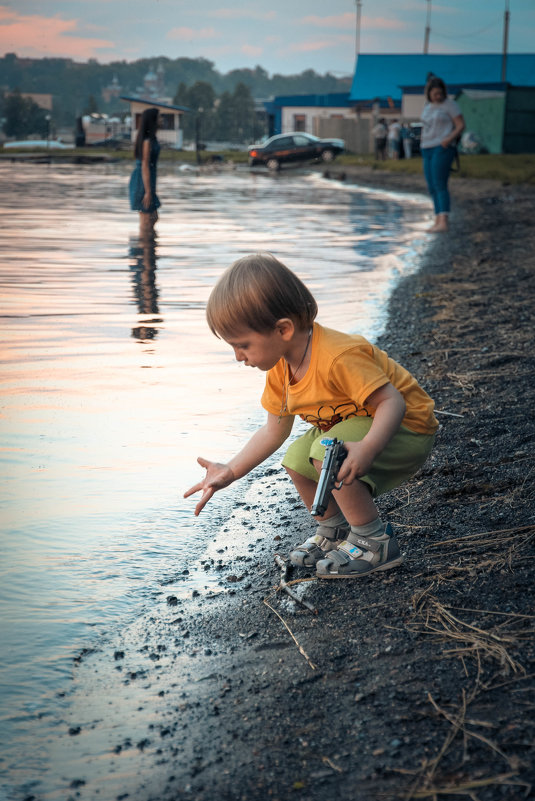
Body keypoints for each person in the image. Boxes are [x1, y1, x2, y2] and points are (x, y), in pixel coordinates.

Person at [184, 254, 438, 579]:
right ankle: (334, 532)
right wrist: (231, 470)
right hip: (364, 428)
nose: (237, 357)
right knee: (296, 457)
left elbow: (393, 403)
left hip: (405, 429)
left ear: (283, 329)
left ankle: (374, 541)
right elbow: (272, 432)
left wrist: (369, 447)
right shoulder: (280, 367)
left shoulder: (337, 356)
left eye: (243, 345)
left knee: (326, 451)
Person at [420, 76, 465, 233]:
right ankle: (437, 219)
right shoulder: (427, 106)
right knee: (431, 186)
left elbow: (460, 125)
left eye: (440, 93)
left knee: (440, 183)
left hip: (442, 147)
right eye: (435, 93)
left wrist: (448, 139)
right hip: (426, 147)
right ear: (429, 93)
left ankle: (444, 221)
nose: (438, 96)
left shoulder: (450, 105)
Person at [129, 107, 161, 239]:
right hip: (143, 181)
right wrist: (148, 191)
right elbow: (145, 166)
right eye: (159, 117)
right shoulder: (147, 141)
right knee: (147, 218)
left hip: (148, 179)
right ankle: (145, 255)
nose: (161, 120)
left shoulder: (151, 138)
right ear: (152, 120)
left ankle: (149, 252)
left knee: (153, 216)